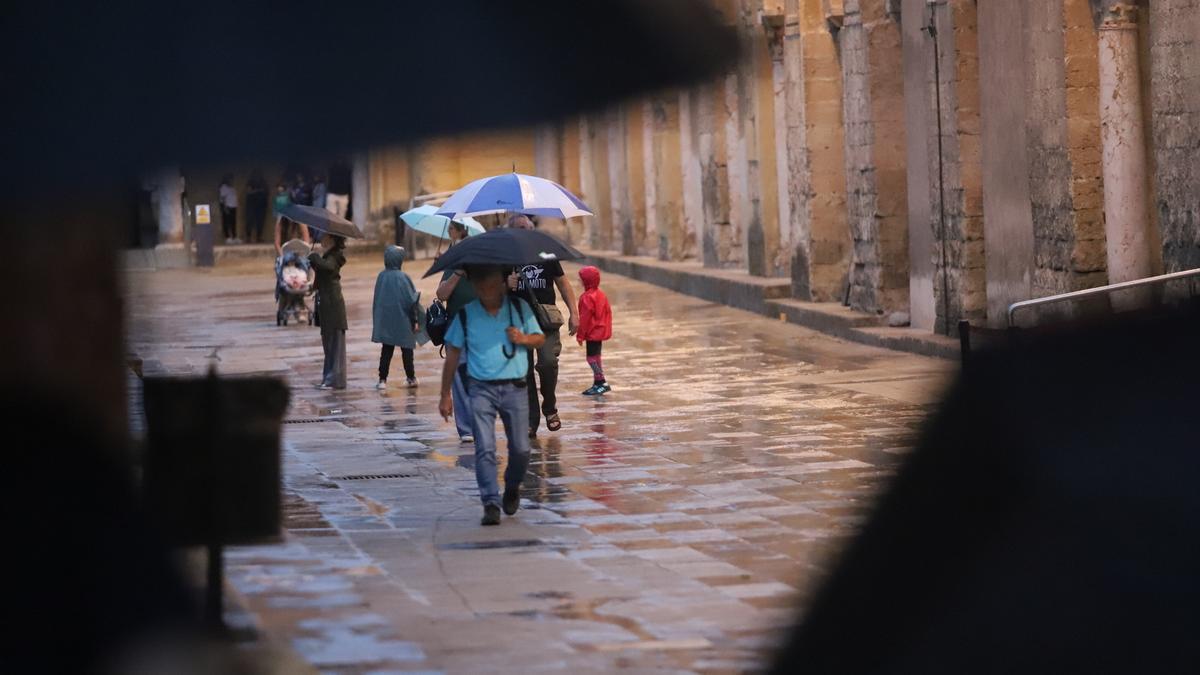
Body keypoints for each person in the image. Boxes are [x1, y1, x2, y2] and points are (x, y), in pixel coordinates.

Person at [438, 265, 544, 526]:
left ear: (502, 282)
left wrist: (523, 339)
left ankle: (511, 486)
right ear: (475, 286)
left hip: (515, 387)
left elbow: (540, 338)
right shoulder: (466, 316)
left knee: (520, 448)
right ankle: (490, 502)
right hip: (481, 388)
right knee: (484, 447)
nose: (487, 290)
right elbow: (452, 355)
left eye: (492, 283)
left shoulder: (519, 309)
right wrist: (445, 395)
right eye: (481, 284)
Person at [504, 214, 578, 437]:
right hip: (518, 320)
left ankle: (550, 406)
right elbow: (490, 292)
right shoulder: (504, 257)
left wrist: (575, 312)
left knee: (547, 363)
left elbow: (563, 283)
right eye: (520, 229)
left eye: (528, 228)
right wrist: (505, 284)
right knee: (523, 373)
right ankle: (530, 420)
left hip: (545, 318)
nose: (525, 233)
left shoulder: (546, 252)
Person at [436, 220, 478, 443]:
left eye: (451, 229)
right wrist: (456, 273)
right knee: (460, 376)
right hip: (457, 324)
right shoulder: (453, 261)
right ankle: (466, 427)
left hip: (481, 325)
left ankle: (481, 420)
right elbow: (442, 294)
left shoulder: (482, 262)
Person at [372, 246, 421, 390]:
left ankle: (382, 379)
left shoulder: (381, 277)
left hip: (386, 320)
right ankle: (411, 377)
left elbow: (377, 300)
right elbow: (411, 301)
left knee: (386, 350)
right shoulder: (403, 277)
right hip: (403, 319)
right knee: (407, 350)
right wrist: (415, 320)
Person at [310, 232, 348, 390]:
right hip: (326, 305)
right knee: (328, 345)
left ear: (332, 238)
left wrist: (314, 258)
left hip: (333, 307)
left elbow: (328, 267)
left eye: (325, 236)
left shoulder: (335, 256)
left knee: (334, 345)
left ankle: (335, 379)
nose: (322, 239)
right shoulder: (328, 255)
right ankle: (328, 377)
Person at [576, 265, 613, 395]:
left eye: (581, 279)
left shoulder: (586, 297)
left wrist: (580, 335)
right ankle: (598, 383)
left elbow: (584, 319)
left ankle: (601, 381)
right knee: (596, 357)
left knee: (591, 358)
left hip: (592, 332)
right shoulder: (601, 294)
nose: (579, 281)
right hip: (600, 331)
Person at [244, 171, 268, 244]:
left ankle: (259, 237)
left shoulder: (263, 183)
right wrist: (258, 191)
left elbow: (266, 192)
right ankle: (248, 237)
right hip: (251, 206)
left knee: (260, 222)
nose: (257, 176)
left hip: (261, 206)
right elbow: (248, 192)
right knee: (249, 221)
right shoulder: (250, 182)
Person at [218, 174, 239, 244]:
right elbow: (222, 198)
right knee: (226, 223)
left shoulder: (232, 188)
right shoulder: (224, 187)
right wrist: (224, 207)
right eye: (230, 179)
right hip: (227, 207)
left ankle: (234, 237)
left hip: (233, 207)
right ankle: (227, 237)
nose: (231, 181)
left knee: (233, 222)